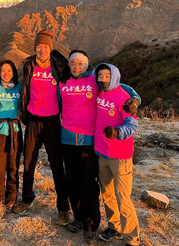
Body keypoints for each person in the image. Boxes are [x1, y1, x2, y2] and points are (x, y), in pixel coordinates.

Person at [60, 50, 141, 240]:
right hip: (82, 144)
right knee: (81, 185)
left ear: (87, 66)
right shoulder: (66, 83)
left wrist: (135, 99)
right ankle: (91, 221)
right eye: (73, 63)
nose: (77, 66)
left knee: (93, 185)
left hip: (97, 145)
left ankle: (95, 223)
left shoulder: (97, 83)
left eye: (81, 63)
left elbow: (125, 89)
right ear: (69, 64)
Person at [12, 29, 71, 226]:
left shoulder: (59, 66)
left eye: (45, 46)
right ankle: (27, 198)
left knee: (56, 165)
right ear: (35, 48)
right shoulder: (29, 65)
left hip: (52, 122)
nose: (42, 50)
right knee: (28, 162)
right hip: (33, 121)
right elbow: (24, 89)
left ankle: (63, 208)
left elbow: (81, 75)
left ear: (50, 48)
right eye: (39, 46)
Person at [93, 63, 140, 246]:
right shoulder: (99, 92)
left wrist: (117, 132)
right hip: (102, 153)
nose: (103, 79)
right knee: (107, 194)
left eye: (107, 76)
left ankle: (132, 238)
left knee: (123, 197)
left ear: (114, 76)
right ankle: (113, 227)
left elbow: (132, 126)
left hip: (120, 156)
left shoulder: (124, 98)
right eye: (100, 76)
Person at [0, 60, 23, 208]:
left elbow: (24, 104)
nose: (6, 74)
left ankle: (12, 196)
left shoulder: (19, 87)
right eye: (3, 71)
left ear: (13, 72)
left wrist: (21, 113)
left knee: (13, 166)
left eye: (9, 70)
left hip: (14, 129)